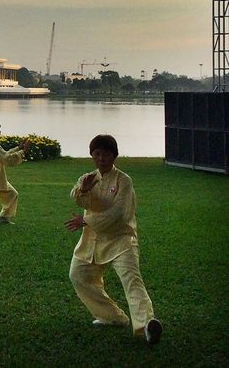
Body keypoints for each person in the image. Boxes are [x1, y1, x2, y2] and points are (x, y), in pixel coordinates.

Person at [64, 134, 163, 345]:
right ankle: (113, 317)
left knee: (132, 280)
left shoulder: (124, 181)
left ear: (114, 155)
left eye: (106, 154)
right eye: (96, 154)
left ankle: (147, 324)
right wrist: (83, 189)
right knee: (78, 275)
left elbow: (120, 213)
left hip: (121, 239)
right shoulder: (89, 177)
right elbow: (76, 198)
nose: (101, 158)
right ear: (92, 155)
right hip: (92, 240)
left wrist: (86, 221)